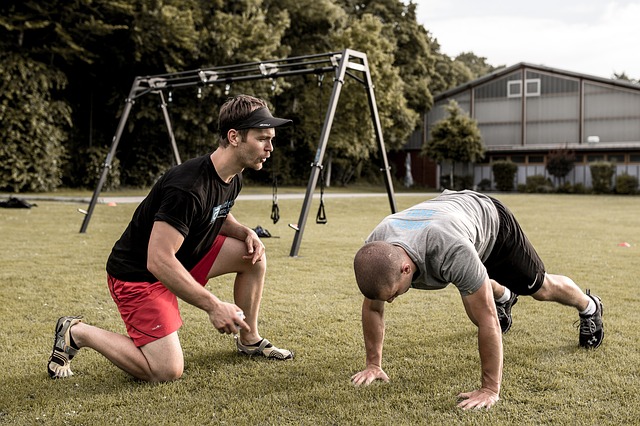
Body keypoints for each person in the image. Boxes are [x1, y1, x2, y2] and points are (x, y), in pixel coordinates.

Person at [47, 94, 294, 382]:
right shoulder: (187, 187)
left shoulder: (232, 175)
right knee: (165, 370)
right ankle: (77, 331)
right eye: (263, 138)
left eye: (271, 139)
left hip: (182, 258)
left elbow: (215, 212)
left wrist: (245, 232)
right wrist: (214, 306)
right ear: (234, 137)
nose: (270, 147)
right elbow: (158, 259)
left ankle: (249, 339)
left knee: (252, 256)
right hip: (139, 275)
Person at [350, 189, 603, 410]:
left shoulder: (450, 250)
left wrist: (489, 390)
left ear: (406, 270)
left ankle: (589, 306)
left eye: (393, 293)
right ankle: (504, 295)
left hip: (492, 225)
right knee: (473, 280)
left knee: (540, 288)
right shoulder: (376, 248)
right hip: (454, 217)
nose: (391, 301)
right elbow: (373, 307)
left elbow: (487, 319)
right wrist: (373, 364)